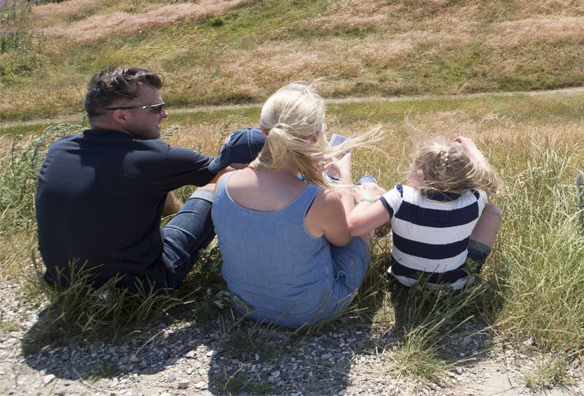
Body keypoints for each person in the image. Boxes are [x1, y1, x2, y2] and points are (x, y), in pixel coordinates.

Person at [34, 66, 258, 292]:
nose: (164, 114)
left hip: (63, 281)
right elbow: (231, 172)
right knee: (218, 182)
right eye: (155, 108)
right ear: (121, 115)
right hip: (141, 288)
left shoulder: (59, 149)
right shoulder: (155, 158)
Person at [211, 82, 379, 328]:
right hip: (310, 312)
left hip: (244, 305)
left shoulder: (224, 184)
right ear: (314, 138)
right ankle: (370, 189)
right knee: (363, 221)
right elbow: (344, 237)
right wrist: (345, 179)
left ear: (263, 131)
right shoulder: (320, 198)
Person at [347, 136, 502, 290]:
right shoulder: (473, 200)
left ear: (422, 175)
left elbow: (353, 227)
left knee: (377, 196)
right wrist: (473, 149)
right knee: (492, 212)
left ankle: (381, 223)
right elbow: (490, 180)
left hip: (404, 279)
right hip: (454, 284)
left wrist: (365, 200)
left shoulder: (401, 197)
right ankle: (471, 267)